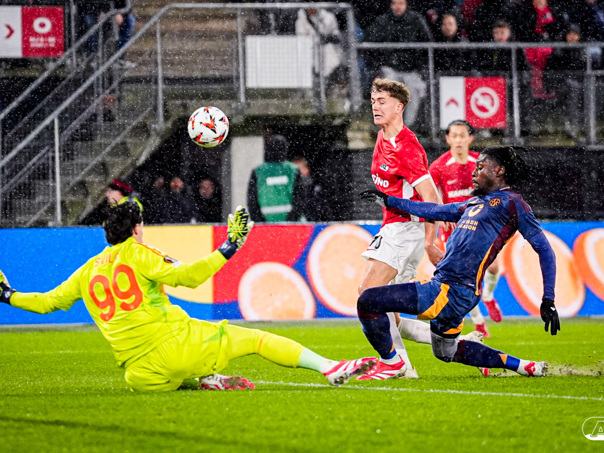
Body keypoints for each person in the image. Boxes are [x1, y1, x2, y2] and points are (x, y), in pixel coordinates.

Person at [0, 202, 377, 392]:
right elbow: (188, 277)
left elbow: (45, 303)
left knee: (145, 372)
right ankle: (330, 367)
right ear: (136, 228)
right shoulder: (138, 253)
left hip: (141, 374)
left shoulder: (87, 271)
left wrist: (7, 294)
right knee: (257, 339)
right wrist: (230, 246)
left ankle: (203, 380)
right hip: (178, 346)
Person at [358, 146, 560, 379]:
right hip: (456, 291)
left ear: (499, 171)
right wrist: (388, 200)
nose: (474, 172)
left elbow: (545, 250)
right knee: (446, 351)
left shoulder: (513, 203)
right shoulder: (475, 203)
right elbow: (433, 209)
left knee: (368, 300)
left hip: (450, 290)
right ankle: (525, 366)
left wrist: (548, 299)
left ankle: (392, 364)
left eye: (481, 167)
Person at [359, 77, 444, 379]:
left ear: (399, 107)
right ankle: (457, 343)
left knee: (368, 294)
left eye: (382, 101)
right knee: (388, 307)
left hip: (406, 229)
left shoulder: (406, 148)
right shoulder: (383, 137)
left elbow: (432, 197)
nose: (375, 107)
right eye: (373, 101)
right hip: (395, 227)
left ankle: (398, 365)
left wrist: (431, 242)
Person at [429, 120, 503, 340]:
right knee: (463, 278)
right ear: (448, 139)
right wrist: (440, 214)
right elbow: (429, 194)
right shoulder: (439, 166)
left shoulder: (482, 163)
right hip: (454, 229)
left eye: (463, 135)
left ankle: (488, 296)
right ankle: (478, 321)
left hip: (480, 225)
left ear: (471, 138)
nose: (459, 140)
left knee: (494, 267)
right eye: (454, 136)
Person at [364, 0, 434, 129]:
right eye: (395, 3)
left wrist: (420, 68)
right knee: (389, 93)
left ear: (406, 4)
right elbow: (370, 48)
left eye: (401, 3)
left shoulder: (416, 20)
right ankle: (390, 126)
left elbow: (427, 46)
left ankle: (409, 126)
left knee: (413, 93)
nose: (398, 7)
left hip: (411, 69)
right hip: (389, 68)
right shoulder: (382, 22)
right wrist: (377, 69)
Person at [247, 134, 304, 222]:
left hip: (265, 225)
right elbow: (300, 199)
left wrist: (260, 222)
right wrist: (291, 221)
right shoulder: (293, 170)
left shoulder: (258, 171)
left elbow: (252, 202)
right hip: (291, 225)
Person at [544, 24, 587, 138]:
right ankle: (570, 126)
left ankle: (575, 127)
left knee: (575, 95)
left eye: (575, 34)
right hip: (561, 83)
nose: (572, 37)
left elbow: (586, 69)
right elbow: (550, 69)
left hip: (580, 84)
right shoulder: (559, 50)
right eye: (570, 34)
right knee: (570, 94)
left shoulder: (583, 50)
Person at [291, 156, 332, 221]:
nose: (296, 172)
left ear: (306, 169)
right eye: (294, 170)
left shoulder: (316, 190)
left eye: (299, 169)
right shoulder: (289, 190)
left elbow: (324, 212)